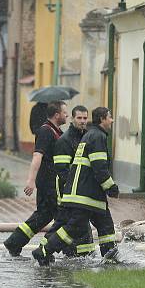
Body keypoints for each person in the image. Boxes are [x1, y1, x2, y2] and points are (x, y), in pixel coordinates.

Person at [33, 106, 119, 266]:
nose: (112, 120)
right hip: (86, 195)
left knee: (105, 224)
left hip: (86, 194)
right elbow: (99, 167)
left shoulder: (88, 135)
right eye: (110, 117)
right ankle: (44, 251)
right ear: (102, 119)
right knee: (74, 227)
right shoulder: (97, 137)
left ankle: (111, 257)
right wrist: (111, 187)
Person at [4, 101, 68, 256]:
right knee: (60, 215)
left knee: (45, 215)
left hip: (53, 181)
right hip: (47, 181)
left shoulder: (56, 131)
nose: (67, 115)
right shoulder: (46, 132)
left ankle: (15, 242)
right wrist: (30, 181)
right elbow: (37, 156)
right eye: (65, 112)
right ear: (57, 115)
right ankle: (49, 249)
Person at [49, 105, 93, 256]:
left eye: (85, 118)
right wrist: (73, 189)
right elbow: (62, 170)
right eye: (79, 118)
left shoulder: (87, 137)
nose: (82, 121)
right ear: (73, 119)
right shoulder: (64, 140)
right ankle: (46, 249)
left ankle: (81, 255)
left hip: (81, 191)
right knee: (65, 223)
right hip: (67, 190)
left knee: (77, 222)